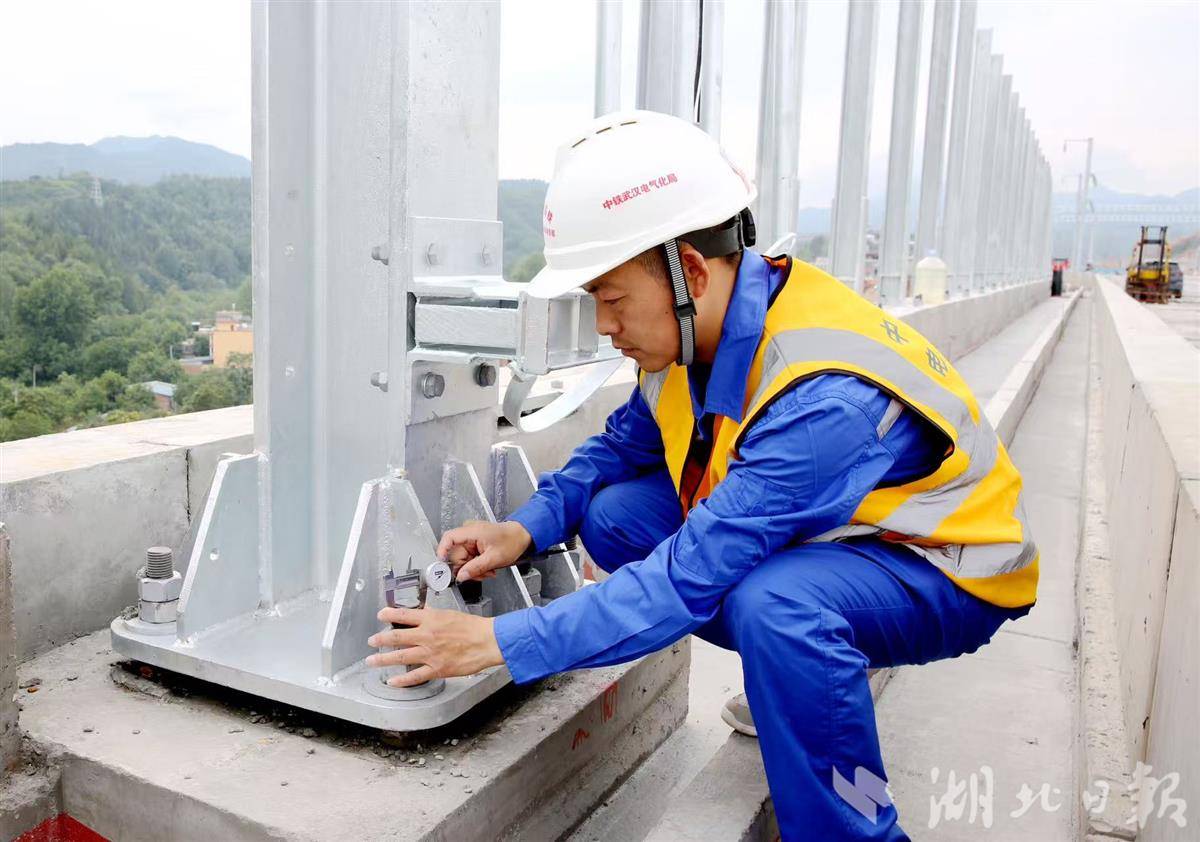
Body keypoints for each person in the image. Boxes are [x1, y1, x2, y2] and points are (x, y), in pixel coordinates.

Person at [365, 110, 1038, 840]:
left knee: (776, 606)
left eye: (612, 299)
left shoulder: (820, 401)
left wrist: (498, 642)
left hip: (944, 566)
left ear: (688, 272)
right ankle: (795, 681)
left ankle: (856, 821)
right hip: (844, 531)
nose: (603, 326)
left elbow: (687, 580)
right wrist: (524, 529)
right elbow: (618, 449)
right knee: (616, 515)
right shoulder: (695, 335)